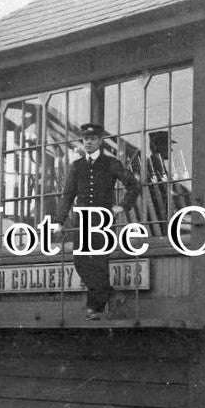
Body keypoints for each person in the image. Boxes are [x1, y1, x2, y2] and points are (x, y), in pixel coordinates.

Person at [54, 124, 141, 319]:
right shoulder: (77, 166)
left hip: (102, 221)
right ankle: (110, 295)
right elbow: (68, 195)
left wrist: (122, 206)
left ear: (100, 141)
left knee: (100, 264)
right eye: (85, 138)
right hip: (82, 221)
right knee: (81, 263)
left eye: (92, 138)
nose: (88, 142)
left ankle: (94, 309)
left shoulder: (111, 163)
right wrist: (59, 221)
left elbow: (134, 185)